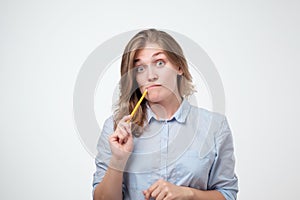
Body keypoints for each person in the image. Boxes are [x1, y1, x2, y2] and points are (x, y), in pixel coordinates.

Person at [92, 29, 238, 200]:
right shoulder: (115, 129)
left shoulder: (215, 126)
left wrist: (189, 194)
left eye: (160, 63)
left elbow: (228, 194)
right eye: (140, 68)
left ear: (179, 67)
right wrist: (118, 160)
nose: (151, 76)